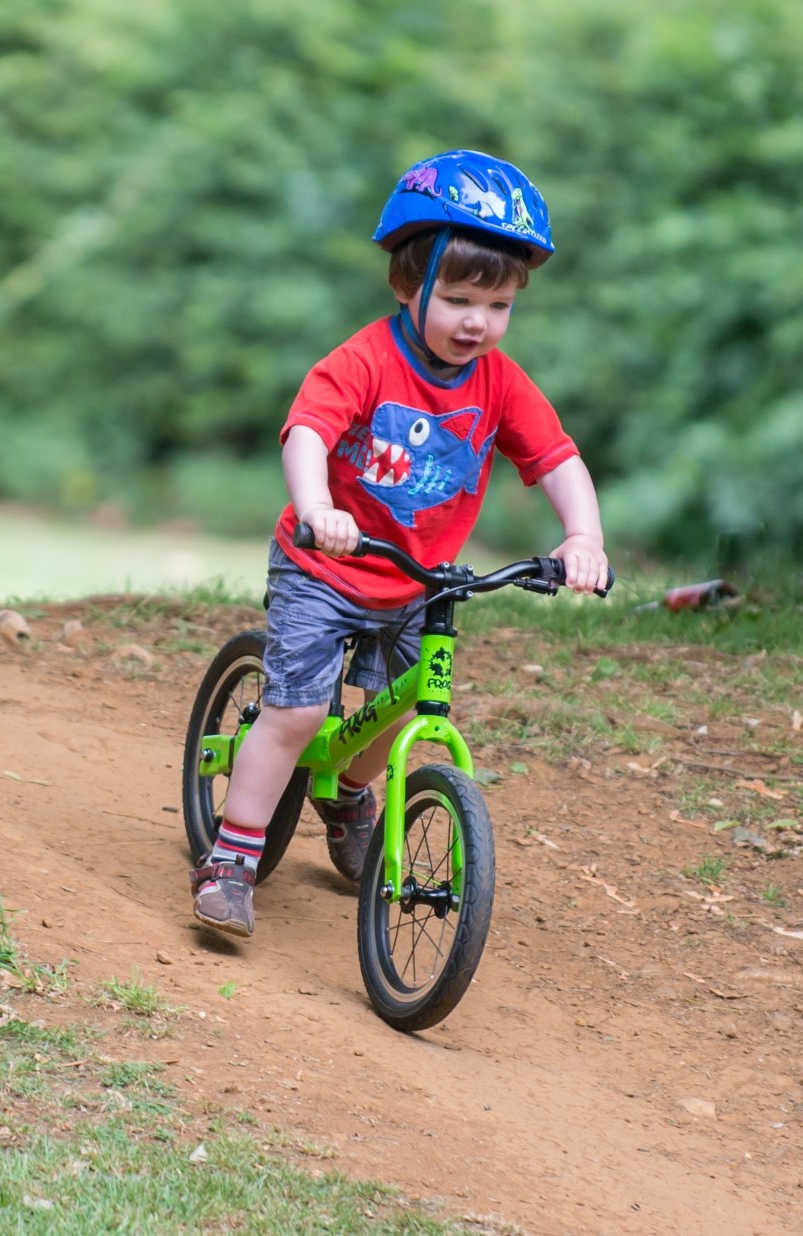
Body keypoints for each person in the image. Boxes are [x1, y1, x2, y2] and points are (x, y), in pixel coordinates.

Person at [191, 149, 609, 937]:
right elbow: (308, 431)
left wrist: (582, 535)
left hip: (419, 580)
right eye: (456, 299)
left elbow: (557, 459)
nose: (477, 322)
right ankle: (232, 859)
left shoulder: (499, 382)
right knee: (296, 712)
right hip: (329, 564)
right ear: (407, 287)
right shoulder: (366, 361)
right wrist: (316, 505)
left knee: (407, 700)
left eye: (500, 305)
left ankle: (346, 793)